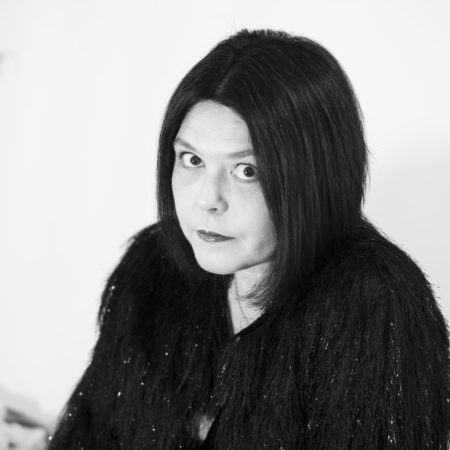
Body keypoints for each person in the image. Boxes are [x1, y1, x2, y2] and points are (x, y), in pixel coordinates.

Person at [48, 29, 450, 449]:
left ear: (315, 176)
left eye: (247, 171)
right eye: (192, 159)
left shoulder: (373, 304)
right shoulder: (152, 266)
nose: (207, 199)